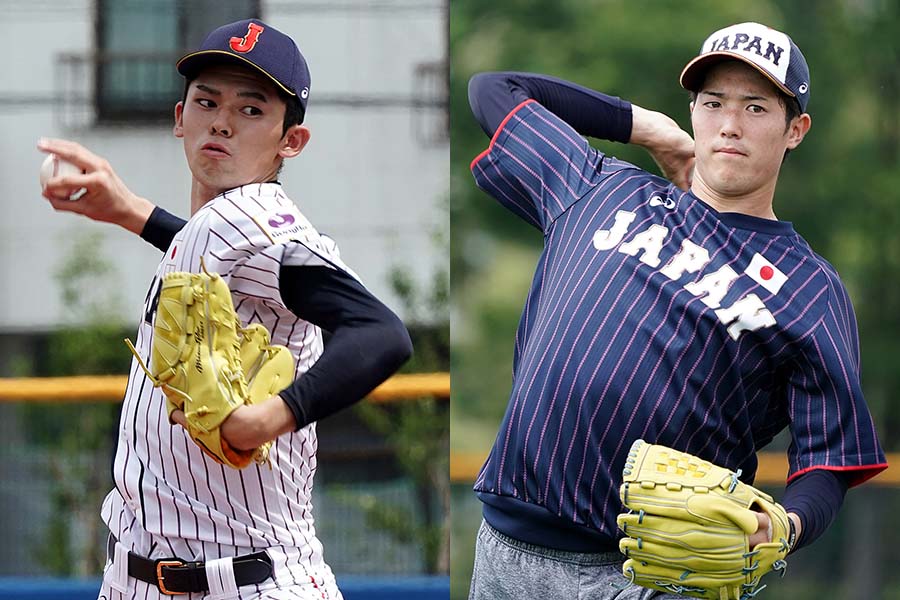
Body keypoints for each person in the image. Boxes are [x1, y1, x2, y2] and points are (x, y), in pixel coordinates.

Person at [465, 21, 886, 599]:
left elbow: (829, 459)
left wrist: (785, 526)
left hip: (650, 575)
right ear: (693, 113)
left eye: (757, 108)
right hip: (502, 552)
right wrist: (648, 129)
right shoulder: (601, 188)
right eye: (713, 103)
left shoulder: (810, 290)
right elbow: (495, 90)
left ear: (796, 129)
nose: (730, 125)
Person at [38, 19, 412, 600]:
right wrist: (131, 210)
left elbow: (381, 332)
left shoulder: (252, 216)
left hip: (244, 581)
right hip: (143, 578)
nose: (221, 121)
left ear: (292, 141)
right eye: (207, 101)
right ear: (178, 117)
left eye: (251, 109)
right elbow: (212, 253)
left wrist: (268, 418)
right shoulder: (217, 228)